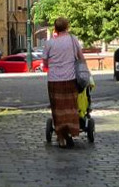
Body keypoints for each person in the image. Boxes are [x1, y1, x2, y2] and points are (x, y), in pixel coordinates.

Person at [39, 17, 85, 147]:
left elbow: (45, 62)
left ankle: (61, 137)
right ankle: (70, 131)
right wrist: (84, 71)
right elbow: (80, 57)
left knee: (57, 107)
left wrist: (52, 65)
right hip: (70, 78)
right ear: (67, 27)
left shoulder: (49, 43)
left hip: (54, 80)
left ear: (55, 28)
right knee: (70, 106)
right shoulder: (72, 39)